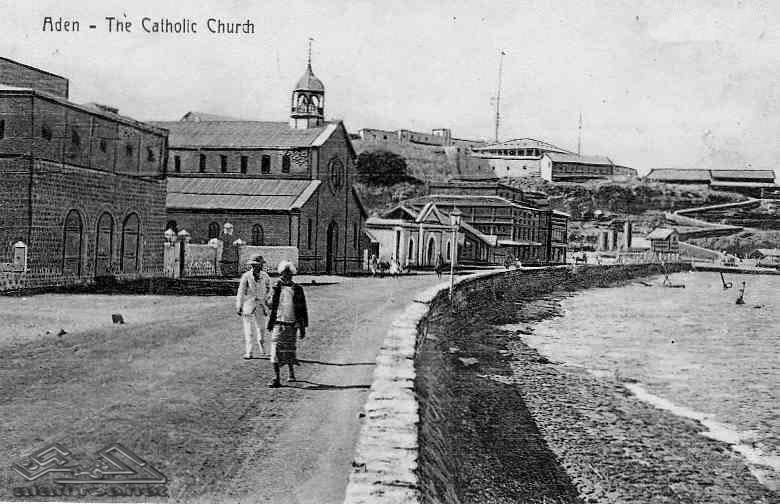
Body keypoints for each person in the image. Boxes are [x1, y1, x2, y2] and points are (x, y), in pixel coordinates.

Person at [267, 260, 308, 387]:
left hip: (292, 324)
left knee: (289, 349)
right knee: (275, 350)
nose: (286, 276)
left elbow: (302, 309)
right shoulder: (276, 288)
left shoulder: (298, 289)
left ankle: (291, 372)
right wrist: (273, 293)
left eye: (289, 274)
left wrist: (302, 327)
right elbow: (269, 304)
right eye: (283, 274)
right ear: (280, 274)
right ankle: (276, 378)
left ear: (292, 275)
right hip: (278, 323)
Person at [236, 255, 272, 359]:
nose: (257, 267)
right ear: (252, 265)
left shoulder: (265, 276)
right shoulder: (246, 276)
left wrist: (267, 299)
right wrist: (239, 305)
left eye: (259, 265)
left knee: (261, 328)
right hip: (249, 305)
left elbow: (270, 289)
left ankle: (262, 349)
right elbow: (241, 291)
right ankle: (249, 352)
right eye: (255, 265)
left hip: (261, 305)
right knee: (249, 330)